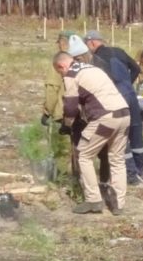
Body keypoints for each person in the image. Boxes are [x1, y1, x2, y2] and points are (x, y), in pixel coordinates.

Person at [55, 50, 130, 214]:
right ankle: (118, 204)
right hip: (124, 114)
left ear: (61, 66)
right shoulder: (92, 68)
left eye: (59, 72)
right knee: (117, 159)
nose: (61, 76)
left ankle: (93, 200)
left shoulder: (72, 75)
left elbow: (70, 106)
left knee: (84, 155)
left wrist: (67, 124)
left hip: (105, 118)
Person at [85, 30, 143, 185]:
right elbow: (137, 69)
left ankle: (131, 175)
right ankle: (141, 170)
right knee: (136, 131)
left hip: (117, 96)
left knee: (121, 136)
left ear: (91, 43)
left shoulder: (96, 59)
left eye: (87, 45)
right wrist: (128, 84)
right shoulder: (119, 51)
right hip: (131, 94)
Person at [41, 30, 80, 192]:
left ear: (61, 43)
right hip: (81, 111)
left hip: (63, 112)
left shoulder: (59, 62)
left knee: (63, 149)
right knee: (80, 149)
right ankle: (80, 179)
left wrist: (46, 112)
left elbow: (52, 90)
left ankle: (65, 181)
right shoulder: (81, 61)